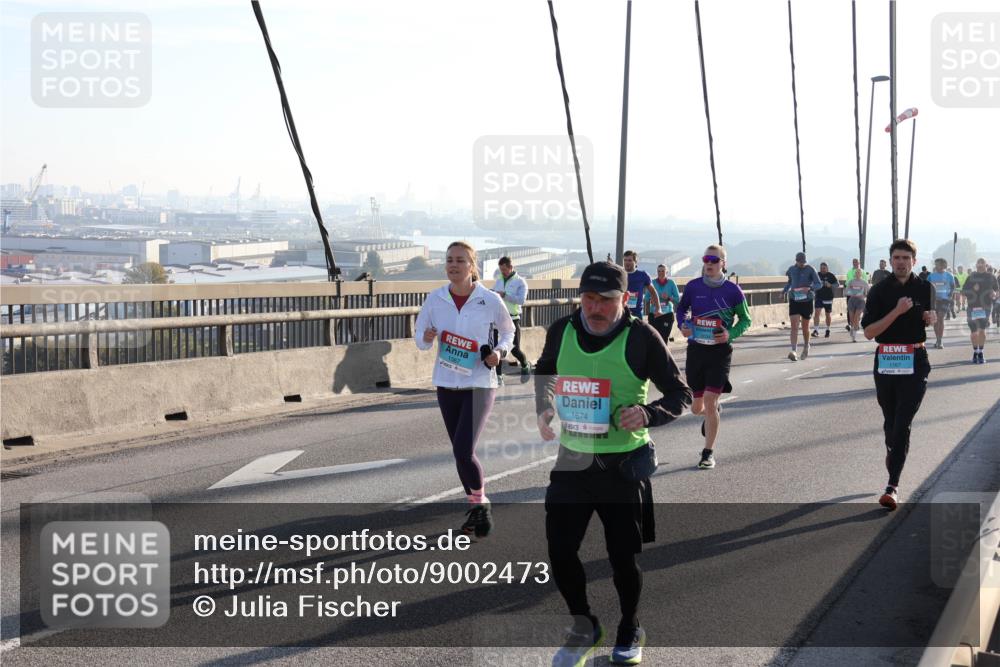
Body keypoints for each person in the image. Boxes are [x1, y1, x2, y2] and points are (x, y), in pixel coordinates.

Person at [535, 261, 691, 666]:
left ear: (624, 299)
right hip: (572, 462)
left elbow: (680, 394)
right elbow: (545, 372)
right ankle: (584, 625)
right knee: (560, 551)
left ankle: (629, 626)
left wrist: (647, 413)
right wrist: (544, 408)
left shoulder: (642, 338)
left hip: (622, 466)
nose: (595, 308)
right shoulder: (561, 331)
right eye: (588, 298)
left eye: (605, 300)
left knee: (623, 558)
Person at [414, 241, 515, 536]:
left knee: (463, 448)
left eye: (460, 260)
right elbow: (419, 340)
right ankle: (476, 509)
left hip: (480, 382)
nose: (453, 265)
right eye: (449, 260)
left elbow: (509, 330)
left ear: (472, 266)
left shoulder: (490, 299)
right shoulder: (435, 299)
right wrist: (428, 336)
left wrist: (500, 352)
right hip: (446, 383)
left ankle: (480, 506)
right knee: (460, 454)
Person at [860, 239, 936, 511]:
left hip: (915, 359)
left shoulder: (925, 287)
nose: (901, 262)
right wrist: (897, 311)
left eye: (906, 258)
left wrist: (932, 319)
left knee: (903, 422)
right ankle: (893, 449)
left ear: (914, 261)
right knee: (891, 422)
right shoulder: (879, 290)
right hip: (887, 359)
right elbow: (869, 333)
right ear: (891, 261)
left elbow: (931, 319)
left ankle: (892, 486)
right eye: (897, 258)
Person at [676, 245, 752, 469]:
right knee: (697, 408)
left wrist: (730, 334)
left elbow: (746, 320)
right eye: (706, 259)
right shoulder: (693, 286)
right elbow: (681, 310)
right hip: (697, 350)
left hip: (720, 352)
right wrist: (683, 325)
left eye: (714, 260)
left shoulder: (732, 291)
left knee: (709, 401)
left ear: (723, 264)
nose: (709, 263)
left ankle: (707, 453)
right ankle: (713, 412)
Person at [492, 256, 531, 384]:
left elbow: (521, 300)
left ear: (511, 267)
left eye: (504, 269)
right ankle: (498, 377)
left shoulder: (521, 282)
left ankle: (525, 364)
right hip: (498, 319)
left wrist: (505, 296)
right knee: (497, 348)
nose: (502, 272)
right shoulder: (498, 280)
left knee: (514, 349)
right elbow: (494, 296)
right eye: (500, 269)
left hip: (512, 319)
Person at [782, 252, 822, 361]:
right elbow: (790, 282)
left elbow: (819, 284)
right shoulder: (791, 269)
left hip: (807, 301)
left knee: (805, 327)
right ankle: (794, 351)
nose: (802, 264)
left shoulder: (810, 269)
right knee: (794, 326)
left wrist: (809, 288)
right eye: (801, 262)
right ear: (796, 261)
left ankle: (806, 345)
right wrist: (783, 292)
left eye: (804, 262)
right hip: (794, 300)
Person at [963, 257, 999, 364]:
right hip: (972, 307)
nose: (980, 264)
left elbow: (997, 289)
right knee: (974, 332)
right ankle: (975, 352)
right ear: (976, 265)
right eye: (978, 262)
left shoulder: (990, 276)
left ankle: (981, 351)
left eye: (982, 262)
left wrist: (995, 295)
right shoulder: (971, 277)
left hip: (985, 307)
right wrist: (973, 289)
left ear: (986, 265)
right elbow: (964, 290)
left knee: (982, 330)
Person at [927, 258, 957, 349]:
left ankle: (940, 340)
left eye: (938, 264)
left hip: (945, 300)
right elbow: (926, 287)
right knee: (936, 320)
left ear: (944, 265)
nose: (936, 266)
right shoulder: (931, 276)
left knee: (941, 318)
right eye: (935, 264)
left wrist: (950, 296)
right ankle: (938, 339)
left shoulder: (949, 276)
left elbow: (953, 287)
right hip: (934, 300)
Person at [623, 250, 661, 321]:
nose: (627, 263)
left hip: (637, 313)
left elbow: (653, 292)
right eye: (625, 260)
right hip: (622, 312)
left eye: (630, 260)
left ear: (635, 262)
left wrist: (658, 308)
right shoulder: (619, 274)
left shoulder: (643, 275)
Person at [647, 264, 680, 343]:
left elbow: (677, 299)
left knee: (664, 338)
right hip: (654, 314)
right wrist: (652, 299)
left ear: (667, 272)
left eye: (663, 271)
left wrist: (668, 297)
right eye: (659, 271)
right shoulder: (652, 282)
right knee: (654, 339)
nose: (661, 273)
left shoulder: (671, 283)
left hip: (667, 314)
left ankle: (663, 354)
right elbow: (646, 298)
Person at [812, 262, 839, 338]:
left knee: (827, 315)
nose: (822, 270)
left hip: (828, 298)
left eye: (824, 268)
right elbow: (812, 283)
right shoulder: (817, 275)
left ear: (827, 268)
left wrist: (830, 285)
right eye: (821, 268)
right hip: (819, 297)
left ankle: (827, 329)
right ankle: (816, 330)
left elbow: (837, 284)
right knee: (817, 313)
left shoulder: (831, 275)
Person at [844, 271, 869, 342]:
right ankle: (852, 328)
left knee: (856, 317)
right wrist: (851, 293)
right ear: (855, 274)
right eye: (856, 273)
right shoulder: (851, 281)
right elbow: (846, 291)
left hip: (860, 301)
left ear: (861, 274)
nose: (857, 274)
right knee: (851, 319)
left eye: (859, 273)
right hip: (852, 301)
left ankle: (854, 337)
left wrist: (864, 294)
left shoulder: (864, 282)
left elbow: (868, 291)